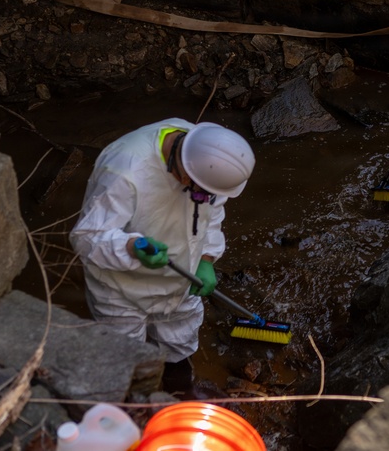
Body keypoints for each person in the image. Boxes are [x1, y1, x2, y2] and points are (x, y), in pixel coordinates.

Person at [70, 119, 255, 384]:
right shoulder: (124, 170)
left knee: (179, 345)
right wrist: (131, 247)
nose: (207, 197)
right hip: (122, 290)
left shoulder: (209, 159)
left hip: (182, 280)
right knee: (127, 360)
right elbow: (86, 238)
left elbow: (212, 214)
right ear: (185, 176)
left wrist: (206, 258)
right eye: (203, 192)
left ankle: (179, 386)